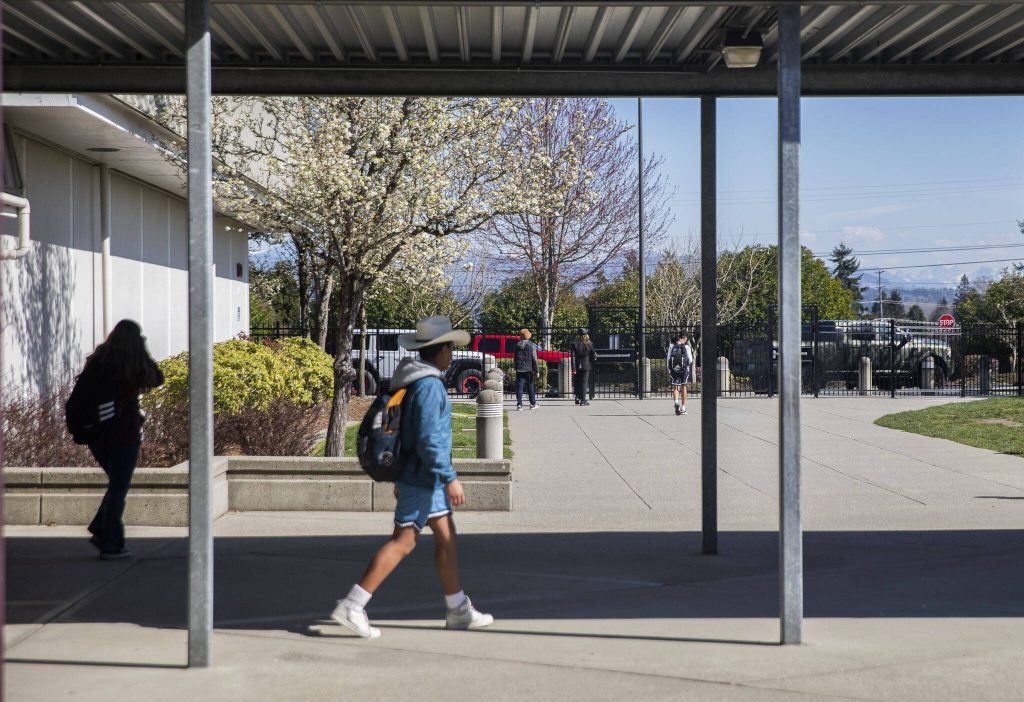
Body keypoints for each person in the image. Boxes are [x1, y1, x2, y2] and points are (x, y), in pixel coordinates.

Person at [331, 316, 494, 639]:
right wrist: (450, 478)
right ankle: (353, 604)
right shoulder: (430, 386)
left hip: (420, 476)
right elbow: (428, 438)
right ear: (442, 350)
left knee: (446, 538)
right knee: (403, 542)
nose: (451, 354)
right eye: (450, 348)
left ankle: (458, 608)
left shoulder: (413, 380)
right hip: (424, 477)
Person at [74, 320, 164, 559]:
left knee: (116, 486)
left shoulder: (98, 362)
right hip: (124, 437)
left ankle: (100, 528)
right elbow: (157, 377)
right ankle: (111, 543)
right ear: (136, 341)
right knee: (118, 489)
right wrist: (143, 350)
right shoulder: (131, 369)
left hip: (98, 436)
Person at [667, 331, 694, 416]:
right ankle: (683, 407)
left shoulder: (672, 345)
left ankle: (676, 402)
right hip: (684, 369)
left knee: (675, 387)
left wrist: (670, 368)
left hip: (674, 369)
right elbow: (690, 360)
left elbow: (668, 358)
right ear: (685, 338)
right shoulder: (686, 346)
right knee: (683, 386)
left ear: (678, 337)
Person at [514, 328, 539, 411]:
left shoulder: (517, 345)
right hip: (529, 369)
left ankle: (519, 405)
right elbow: (534, 358)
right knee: (530, 386)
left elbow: (515, 358)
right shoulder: (531, 345)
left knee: (519, 387)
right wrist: (537, 370)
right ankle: (532, 404)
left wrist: (516, 367)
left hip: (519, 369)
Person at [571, 327, 596, 406]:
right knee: (584, 383)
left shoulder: (574, 344)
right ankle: (583, 400)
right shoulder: (589, 343)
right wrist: (590, 362)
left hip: (577, 364)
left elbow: (573, 356)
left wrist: (573, 368)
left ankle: (577, 397)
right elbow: (593, 355)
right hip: (586, 365)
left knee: (577, 382)